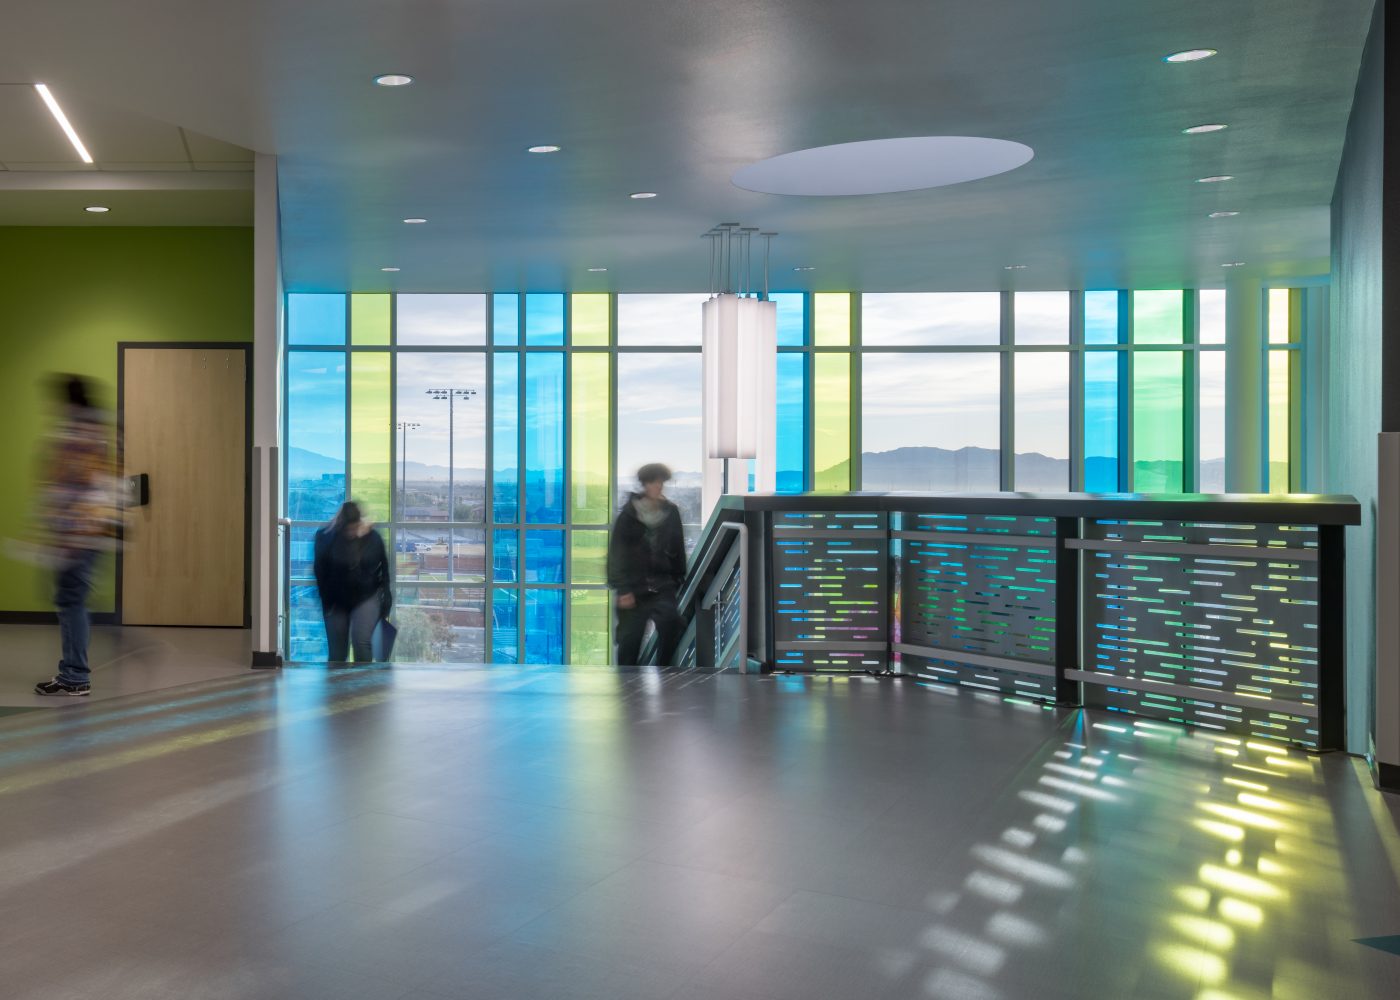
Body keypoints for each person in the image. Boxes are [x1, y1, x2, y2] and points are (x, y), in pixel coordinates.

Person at [34, 375, 119, 697]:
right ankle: (72, 673)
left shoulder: (77, 433)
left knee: (71, 602)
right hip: (84, 533)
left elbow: (75, 488)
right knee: (71, 601)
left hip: (78, 535)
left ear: (69, 401)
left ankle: (75, 676)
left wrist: (65, 536)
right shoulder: (94, 432)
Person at [608, 463, 686, 666]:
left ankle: (665, 675)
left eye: (661, 482)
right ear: (645, 484)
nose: (658, 486)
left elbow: (678, 548)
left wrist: (677, 579)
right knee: (629, 641)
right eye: (654, 482)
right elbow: (617, 554)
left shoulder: (671, 512)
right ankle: (627, 686)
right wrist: (623, 589)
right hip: (633, 588)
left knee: (671, 625)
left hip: (662, 585)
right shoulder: (628, 515)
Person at [312, 501, 391, 664]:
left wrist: (386, 596)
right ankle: (337, 686)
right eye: (348, 529)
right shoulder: (326, 537)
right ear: (341, 525)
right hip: (336, 599)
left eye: (354, 528)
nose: (351, 532)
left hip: (365, 595)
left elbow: (383, 566)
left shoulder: (372, 538)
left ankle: (362, 685)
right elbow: (320, 569)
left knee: (361, 643)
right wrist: (325, 598)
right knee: (337, 651)